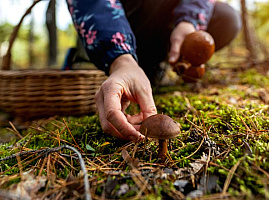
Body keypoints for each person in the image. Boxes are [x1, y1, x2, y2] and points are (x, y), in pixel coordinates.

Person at [66, 0, 242, 141]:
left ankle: (157, 65)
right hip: (119, 21)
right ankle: (113, 65)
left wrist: (189, 21)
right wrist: (120, 59)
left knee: (227, 18)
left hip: (163, 24)